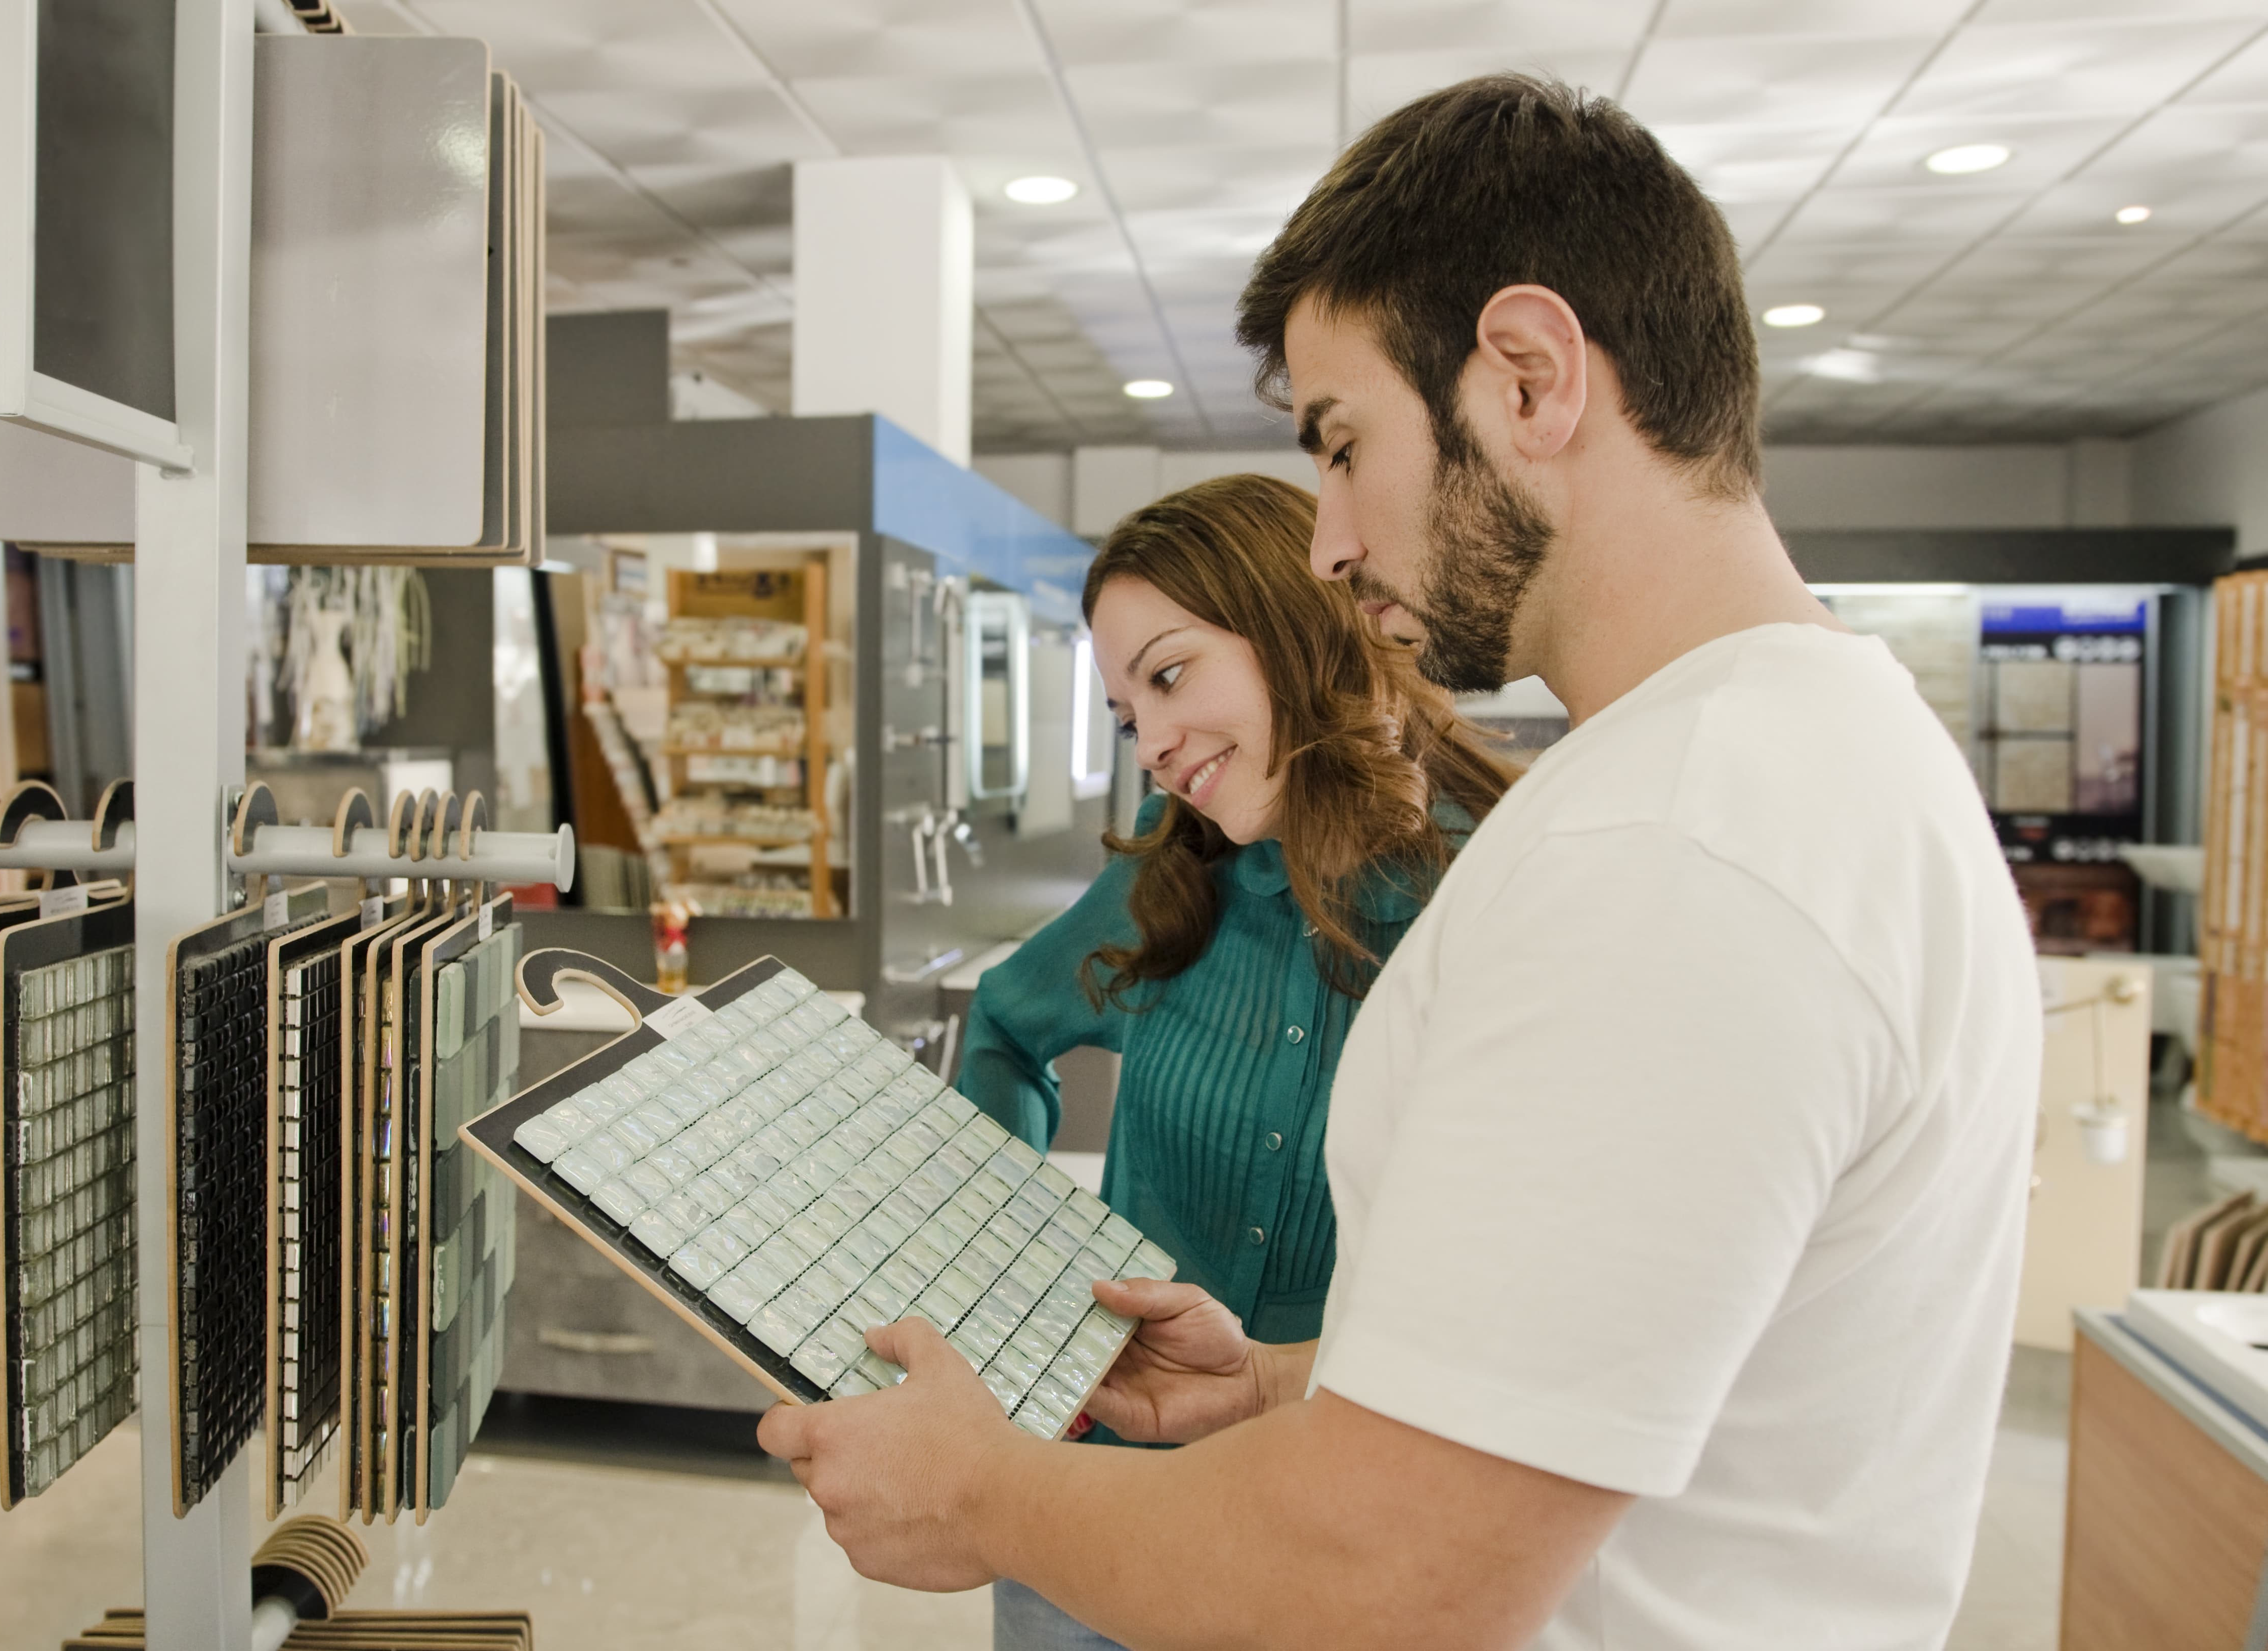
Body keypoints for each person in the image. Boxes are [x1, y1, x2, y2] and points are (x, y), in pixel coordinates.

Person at [761, 72, 2040, 1651]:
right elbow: (1639, 1385)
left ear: (1527, 377)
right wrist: (1288, 1387)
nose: (1330, 542)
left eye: (1343, 442)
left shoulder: (1671, 846)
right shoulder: (1818, 760)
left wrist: (983, 1494)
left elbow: (1392, 1583)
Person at [955, 472, 1516, 1648]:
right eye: (1126, 716)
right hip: (1095, 1510)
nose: (1152, 745)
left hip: (1340, 1536)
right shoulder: (1168, 882)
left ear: (1295, 623)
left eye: (1169, 677)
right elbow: (1004, 1026)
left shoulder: (1501, 895)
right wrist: (1006, 1262)